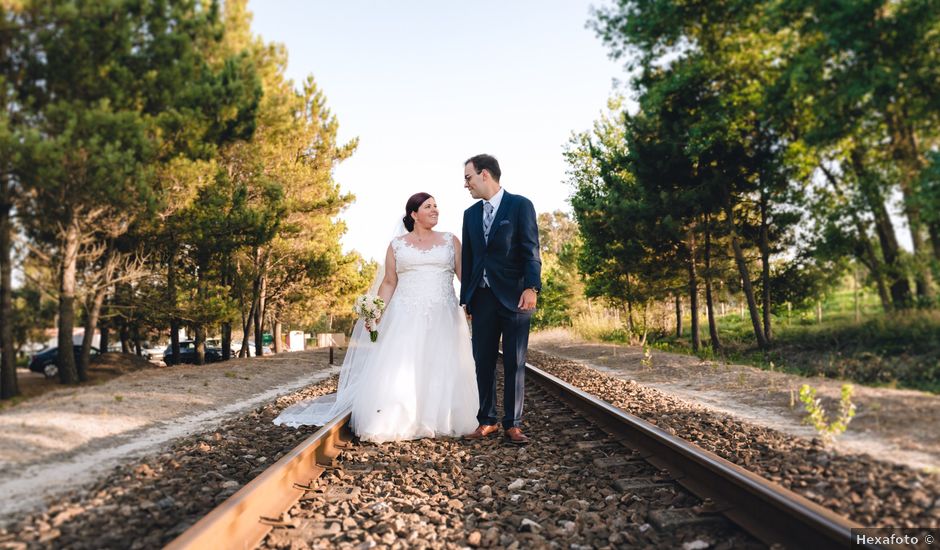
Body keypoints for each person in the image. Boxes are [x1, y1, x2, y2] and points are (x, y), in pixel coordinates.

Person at [273, 193, 479, 442]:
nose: (435, 210)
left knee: (441, 363)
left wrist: (473, 306)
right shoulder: (397, 245)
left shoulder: (450, 241)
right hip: (407, 314)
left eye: (437, 205)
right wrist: (376, 310)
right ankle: (402, 418)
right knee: (404, 365)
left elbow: (464, 278)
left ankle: (438, 419)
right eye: (428, 206)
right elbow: (390, 282)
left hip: (444, 313)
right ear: (414, 214)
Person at [460, 154, 541, 445]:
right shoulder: (470, 215)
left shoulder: (520, 205)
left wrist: (532, 287)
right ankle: (487, 420)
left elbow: (531, 250)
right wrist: (466, 298)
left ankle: (513, 424)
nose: (465, 184)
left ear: (485, 175)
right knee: (482, 360)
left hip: (516, 297)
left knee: (516, 361)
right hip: (481, 299)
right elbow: (469, 259)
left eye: (468, 177)